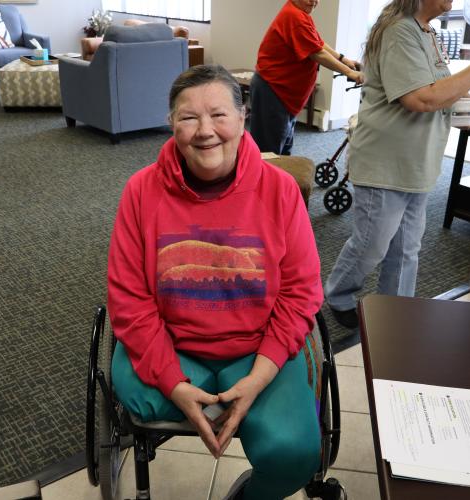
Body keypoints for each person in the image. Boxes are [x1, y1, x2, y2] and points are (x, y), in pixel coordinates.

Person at [107, 65, 324, 500]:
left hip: (258, 350)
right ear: (171, 124)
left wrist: (258, 380)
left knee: (297, 454)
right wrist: (174, 383)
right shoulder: (141, 191)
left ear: (244, 117)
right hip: (172, 345)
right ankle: (204, 397)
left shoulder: (280, 190)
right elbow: (129, 298)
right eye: (188, 118)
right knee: (139, 397)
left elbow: (300, 292)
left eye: (219, 115)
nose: (205, 131)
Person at [325, 0, 470, 328]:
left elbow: (440, 90)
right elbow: (421, 98)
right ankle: (339, 293)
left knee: (407, 247)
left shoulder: (427, 31)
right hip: (386, 163)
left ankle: (396, 306)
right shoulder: (399, 31)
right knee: (371, 244)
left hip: (416, 163)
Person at [250, 0, 364, 155]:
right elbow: (316, 53)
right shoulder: (294, 16)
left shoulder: (302, 15)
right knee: (269, 152)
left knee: (283, 146)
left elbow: (318, 43)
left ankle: (282, 178)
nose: (314, 2)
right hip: (274, 89)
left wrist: (343, 59)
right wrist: (349, 72)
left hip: (283, 92)